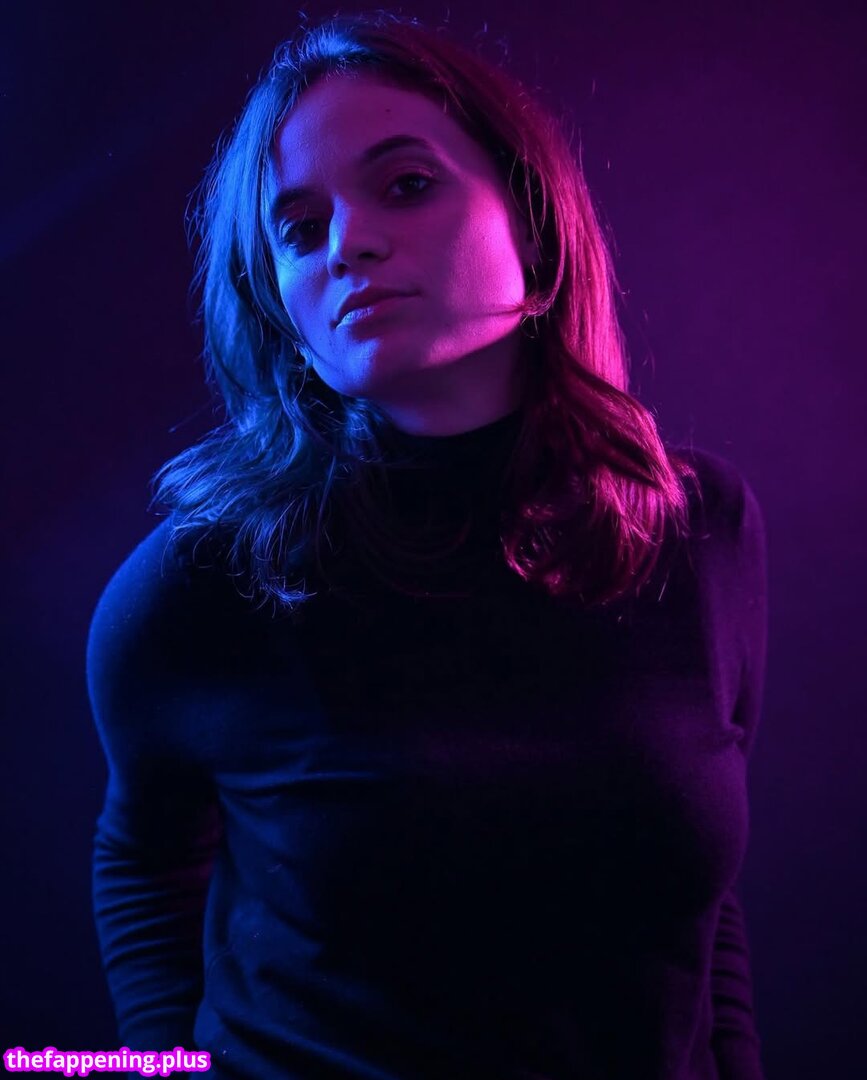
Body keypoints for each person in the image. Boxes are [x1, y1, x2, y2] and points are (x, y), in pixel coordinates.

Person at [86, 11, 769, 1079]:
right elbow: (141, 864)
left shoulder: (696, 527)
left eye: (404, 185)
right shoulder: (211, 577)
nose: (347, 244)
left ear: (533, 227)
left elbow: (701, 907)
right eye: (298, 229)